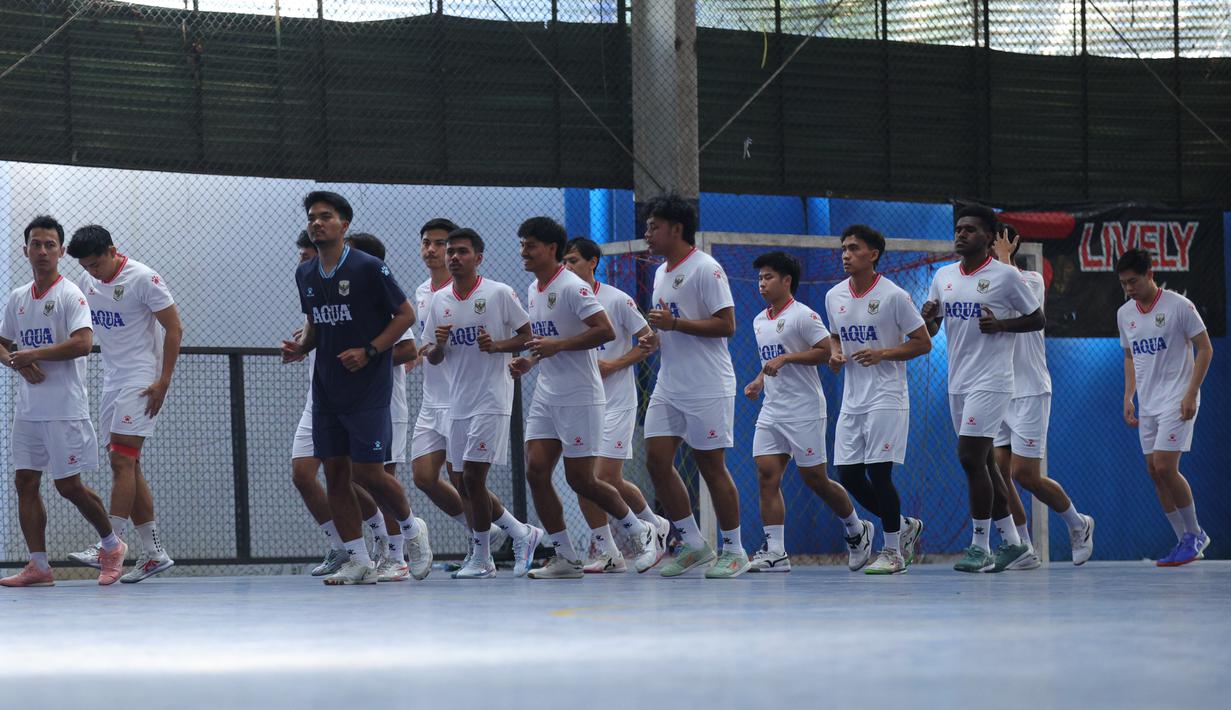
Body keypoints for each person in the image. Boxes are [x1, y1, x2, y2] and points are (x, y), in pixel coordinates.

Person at [509, 219, 660, 579]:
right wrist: (529, 360)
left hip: (580, 395)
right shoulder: (534, 288)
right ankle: (564, 555)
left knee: (584, 480)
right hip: (548, 393)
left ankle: (640, 530)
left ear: (551, 249)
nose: (523, 252)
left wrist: (558, 346)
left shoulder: (573, 288)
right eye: (522, 245)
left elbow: (603, 331)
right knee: (536, 470)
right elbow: (548, 338)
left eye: (530, 245)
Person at [281, 191, 416, 585]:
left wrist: (371, 350)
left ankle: (406, 536)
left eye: (326, 217)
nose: (317, 223)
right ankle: (355, 556)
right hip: (326, 392)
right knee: (328, 475)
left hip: (370, 393)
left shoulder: (369, 270)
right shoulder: (306, 274)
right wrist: (300, 348)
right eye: (312, 217)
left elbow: (407, 322)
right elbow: (316, 327)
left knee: (369, 474)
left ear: (344, 225)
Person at [0, 216, 126, 587]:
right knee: (25, 481)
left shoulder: (71, 294)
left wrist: (31, 353)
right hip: (29, 410)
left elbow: (83, 343)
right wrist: (15, 362)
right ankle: (38, 565)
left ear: (61, 251)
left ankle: (111, 544)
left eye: (49, 245)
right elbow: (2, 343)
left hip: (64, 408)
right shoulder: (18, 297)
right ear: (25, 250)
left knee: (68, 486)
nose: (42, 251)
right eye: (35, 244)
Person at [921, 204, 1043, 573]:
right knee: (985, 461)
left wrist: (1003, 326)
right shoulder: (942, 276)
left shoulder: (1006, 277)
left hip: (992, 380)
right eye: (958, 229)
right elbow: (931, 331)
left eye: (970, 229)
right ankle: (1015, 544)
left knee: (970, 457)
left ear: (989, 238)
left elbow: (1037, 318)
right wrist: (927, 319)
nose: (961, 234)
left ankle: (979, 545)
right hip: (958, 380)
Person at [61, 224, 182, 583]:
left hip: (142, 377)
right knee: (130, 464)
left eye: (97, 264)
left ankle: (109, 545)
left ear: (113, 250)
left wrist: (163, 381)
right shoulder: (87, 282)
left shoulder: (144, 278)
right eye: (86, 267)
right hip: (113, 380)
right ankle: (155, 553)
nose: (92, 272)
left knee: (120, 459)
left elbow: (174, 328)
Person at [639, 194, 750, 579]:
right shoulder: (660, 273)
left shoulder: (707, 268)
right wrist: (656, 338)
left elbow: (727, 325)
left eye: (654, 226)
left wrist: (675, 326)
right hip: (670, 383)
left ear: (677, 229)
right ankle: (692, 542)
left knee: (710, 466)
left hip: (707, 384)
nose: (647, 234)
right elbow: (669, 325)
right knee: (655, 459)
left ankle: (734, 550)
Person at [420, 228, 540, 579]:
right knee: (460, 479)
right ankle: (522, 533)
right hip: (457, 401)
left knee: (473, 476)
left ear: (478, 257)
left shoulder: (499, 293)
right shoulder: (439, 301)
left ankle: (482, 556)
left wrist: (499, 347)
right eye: (451, 252)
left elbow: (528, 334)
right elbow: (433, 356)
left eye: (461, 252)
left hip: (492, 397)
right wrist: (438, 346)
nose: (454, 257)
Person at [744, 250, 872, 574]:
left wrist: (786, 359)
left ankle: (857, 529)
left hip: (804, 409)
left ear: (787, 281)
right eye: (759, 277)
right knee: (766, 475)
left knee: (815, 479)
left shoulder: (804, 315)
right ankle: (776, 551)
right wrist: (759, 380)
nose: (762, 283)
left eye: (768, 277)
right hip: (772, 409)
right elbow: (769, 361)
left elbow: (823, 352)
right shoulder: (759, 320)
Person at [824, 225, 930, 575]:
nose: (846, 254)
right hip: (853, 398)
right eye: (843, 248)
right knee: (849, 476)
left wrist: (884, 352)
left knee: (879, 474)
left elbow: (922, 342)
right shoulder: (834, 296)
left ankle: (892, 550)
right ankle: (904, 525)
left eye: (854, 248)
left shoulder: (894, 296)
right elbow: (835, 337)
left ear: (873, 255)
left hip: (887, 396)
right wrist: (835, 354)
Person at [286, 231, 392, 578]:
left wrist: (368, 353)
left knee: (361, 476)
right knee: (305, 474)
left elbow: (406, 344)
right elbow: (313, 335)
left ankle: (396, 535)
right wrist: (300, 348)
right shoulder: (313, 294)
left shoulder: (369, 291)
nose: (306, 262)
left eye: (308, 256)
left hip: (364, 397)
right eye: (303, 256)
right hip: (321, 398)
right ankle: (345, 548)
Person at [562, 237, 670, 573]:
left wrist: (615, 364)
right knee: (588, 477)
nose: (568, 268)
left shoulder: (617, 299)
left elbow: (651, 340)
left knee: (604, 475)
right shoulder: (563, 301)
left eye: (574, 261)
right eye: (564, 262)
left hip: (616, 400)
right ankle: (611, 547)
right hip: (579, 399)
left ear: (593, 262)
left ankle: (649, 526)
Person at [990, 226, 1094, 568]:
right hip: (997, 389)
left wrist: (1004, 259)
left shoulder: (1031, 280)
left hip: (1031, 389)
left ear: (1010, 247)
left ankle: (1079, 524)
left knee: (1025, 475)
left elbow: (1030, 312)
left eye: (996, 246)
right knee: (998, 473)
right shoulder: (981, 286)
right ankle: (1022, 547)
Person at [343, 232, 433, 582]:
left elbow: (409, 351)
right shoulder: (342, 298)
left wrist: (366, 357)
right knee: (352, 478)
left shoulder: (384, 297)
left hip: (385, 402)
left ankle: (398, 552)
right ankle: (385, 541)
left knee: (380, 479)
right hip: (351, 403)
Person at [1116, 248, 1213, 566]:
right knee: (1154, 472)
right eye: (1124, 284)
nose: (1129, 289)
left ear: (1149, 275)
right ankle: (1183, 539)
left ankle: (1195, 533)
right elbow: (1131, 356)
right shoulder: (1125, 314)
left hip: (1178, 399)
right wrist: (1129, 396)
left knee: (1165, 467)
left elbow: (1205, 348)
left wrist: (1191, 393)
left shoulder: (1179, 306)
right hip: (1149, 404)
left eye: (1134, 282)